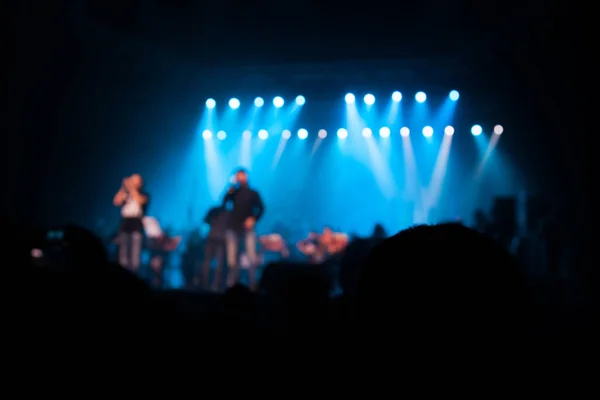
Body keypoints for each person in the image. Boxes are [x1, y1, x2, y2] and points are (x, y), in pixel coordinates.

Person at [222, 168, 265, 289]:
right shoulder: (233, 192)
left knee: (251, 257)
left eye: (242, 176)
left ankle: (253, 285)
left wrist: (253, 218)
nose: (240, 178)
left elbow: (262, 208)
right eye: (238, 176)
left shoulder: (253, 193)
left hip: (247, 229)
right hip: (233, 227)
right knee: (232, 259)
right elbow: (223, 204)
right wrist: (229, 189)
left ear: (246, 177)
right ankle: (232, 285)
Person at [113, 174, 148, 273]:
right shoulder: (126, 194)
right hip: (125, 226)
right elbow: (116, 201)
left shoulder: (144, 195)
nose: (133, 183)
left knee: (134, 256)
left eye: (135, 181)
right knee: (123, 254)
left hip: (136, 226)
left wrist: (131, 187)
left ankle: (134, 276)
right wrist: (123, 187)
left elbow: (139, 200)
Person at [199, 205, 229, 291]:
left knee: (214, 263)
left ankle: (213, 285)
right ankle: (209, 285)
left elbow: (205, 220)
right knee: (210, 263)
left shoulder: (220, 211)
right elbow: (205, 220)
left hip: (217, 239)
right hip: (215, 239)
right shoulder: (220, 211)